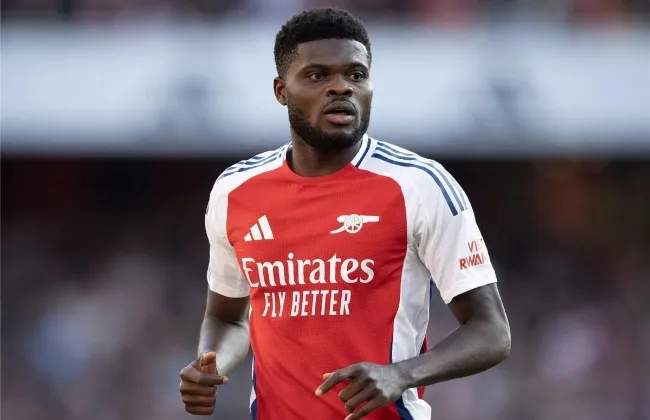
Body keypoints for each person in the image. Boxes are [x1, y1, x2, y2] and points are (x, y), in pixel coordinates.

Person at [179, 6, 510, 420]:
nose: (341, 88)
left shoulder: (419, 185)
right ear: (281, 91)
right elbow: (227, 318)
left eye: (356, 75)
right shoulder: (235, 190)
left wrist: (401, 374)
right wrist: (210, 364)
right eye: (317, 76)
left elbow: (492, 331)